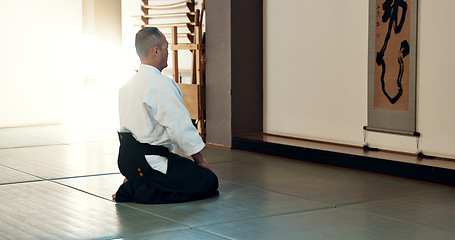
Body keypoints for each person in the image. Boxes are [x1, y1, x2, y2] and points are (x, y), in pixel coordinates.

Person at [112, 27, 219, 204]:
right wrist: (201, 161)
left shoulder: (126, 86)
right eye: (166, 47)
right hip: (151, 162)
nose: (167, 52)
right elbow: (179, 128)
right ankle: (135, 189)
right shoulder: (161, 84)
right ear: (156, 50)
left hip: (126, 161)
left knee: (180, 167)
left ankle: (136, 180)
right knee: (208, 181)